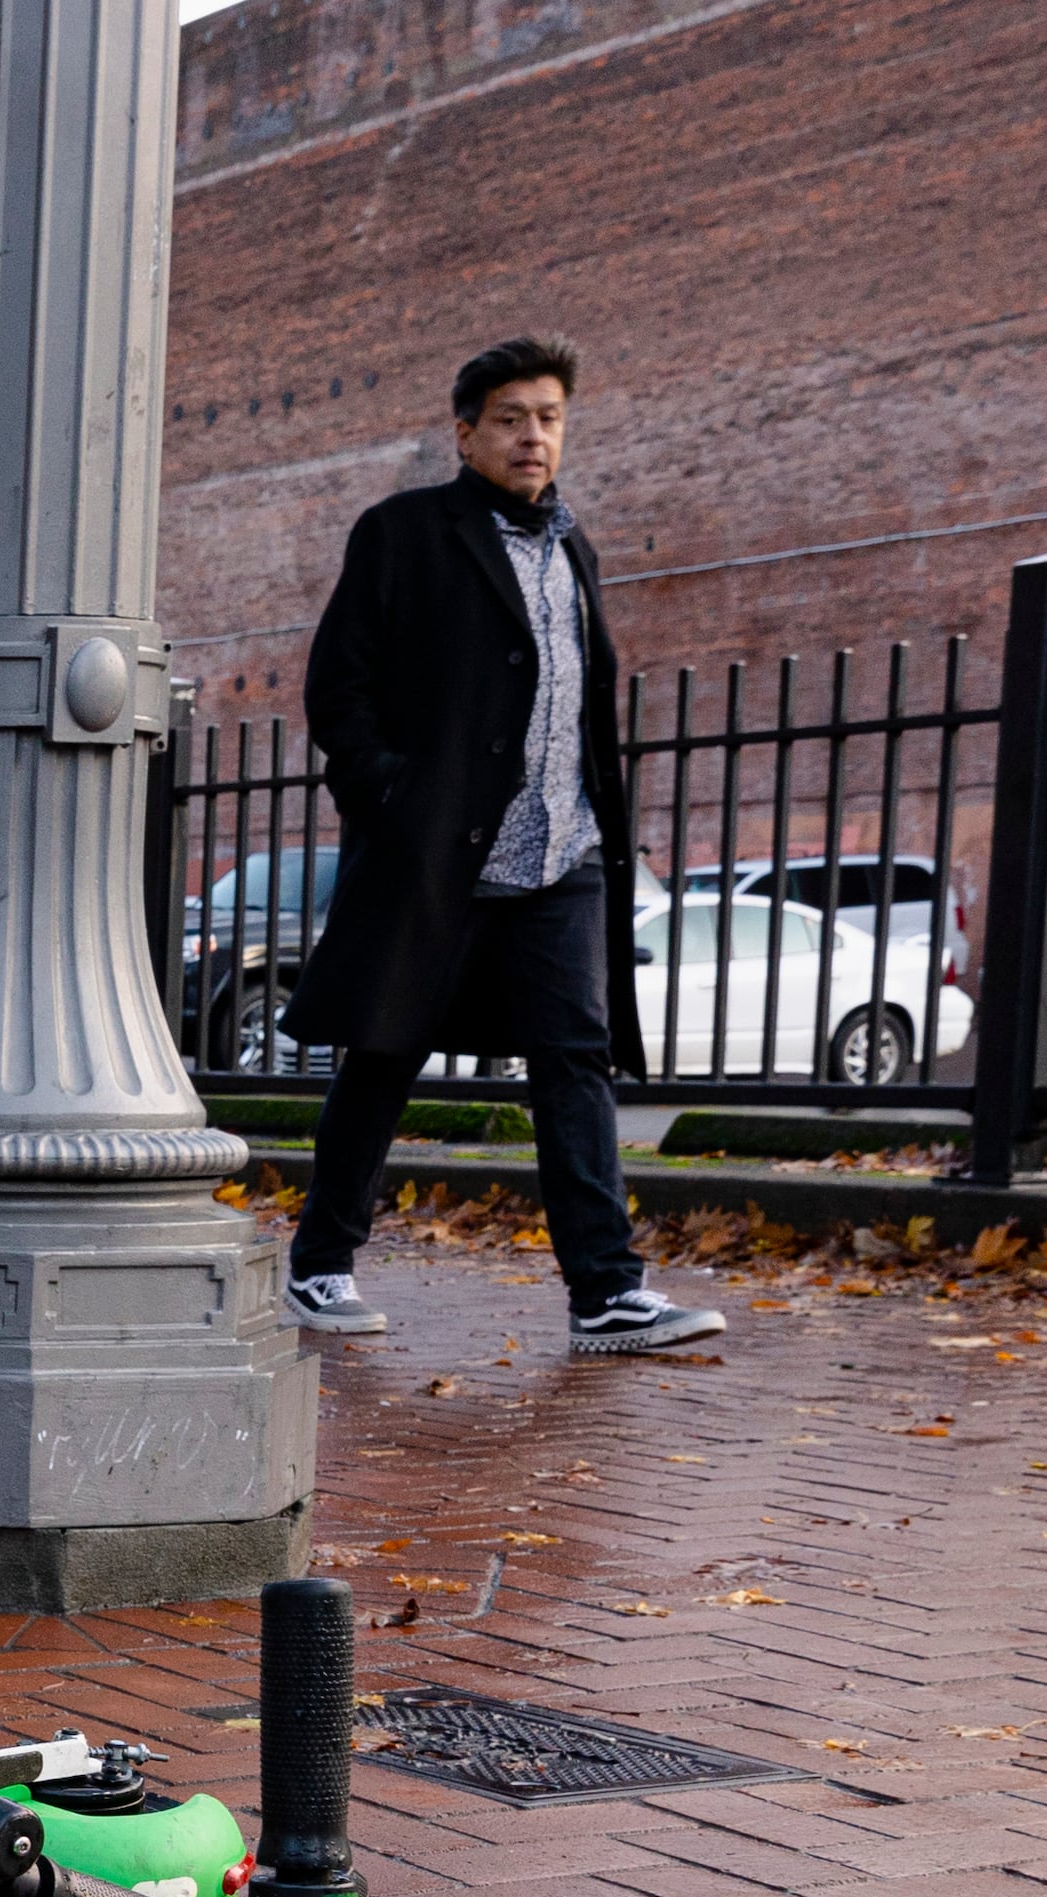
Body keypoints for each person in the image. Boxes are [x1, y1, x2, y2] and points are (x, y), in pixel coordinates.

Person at [281, 338, 720, 1355]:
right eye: (512, 417)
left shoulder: (573, 548)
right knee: (382, 1055)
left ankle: (604, 1293)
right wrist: (390, 794)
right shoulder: (402, 534)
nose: (532, 435)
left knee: (574, 1061)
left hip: (557, 858)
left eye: (549, 417)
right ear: (465, 434)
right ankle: (317, 1266)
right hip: (439, 854)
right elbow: (335, 687)